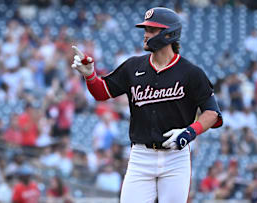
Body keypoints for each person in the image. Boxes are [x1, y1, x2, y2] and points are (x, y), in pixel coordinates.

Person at [71, 7, 222, 203]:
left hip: (175, 157)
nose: (146, 35)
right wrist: (89, 75)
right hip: (141, 156)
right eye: (145, 30)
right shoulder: (133, 66)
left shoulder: (191, 72)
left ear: (169, 34)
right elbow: (102, 93)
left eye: (151, 30)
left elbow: (212, 113)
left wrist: (189, 132)